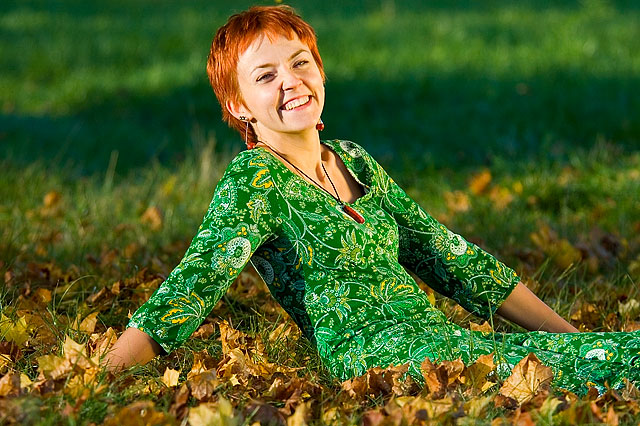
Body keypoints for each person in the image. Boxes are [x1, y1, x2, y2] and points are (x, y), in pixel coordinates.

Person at [103, 5, 640, 395]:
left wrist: (574, 338)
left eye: (301, 63)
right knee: (596, 369)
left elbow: (448, 256)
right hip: (379, 359)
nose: (292, 82)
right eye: (266, 76)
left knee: (602, 355)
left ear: (320, 70)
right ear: (239, 104)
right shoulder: (254, 180)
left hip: (438, 340)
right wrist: (98, 381)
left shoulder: (352, 159)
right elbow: (192, 286)